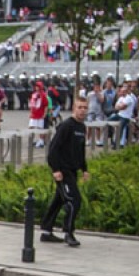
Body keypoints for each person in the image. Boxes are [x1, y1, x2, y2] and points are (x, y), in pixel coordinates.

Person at [40, 98, 90, 247]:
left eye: (85, 108)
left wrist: (84, 169)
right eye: (80, 107)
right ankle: (69, 232)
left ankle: (46, 232)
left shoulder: (82, 127)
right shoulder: (66, 126)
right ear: (74, 108)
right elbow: (53, 149)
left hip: (73, 170)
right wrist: (55, 169)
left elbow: (80, 150)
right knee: (74, 200)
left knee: (59, 199)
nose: (82, 110)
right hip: (63, 171)